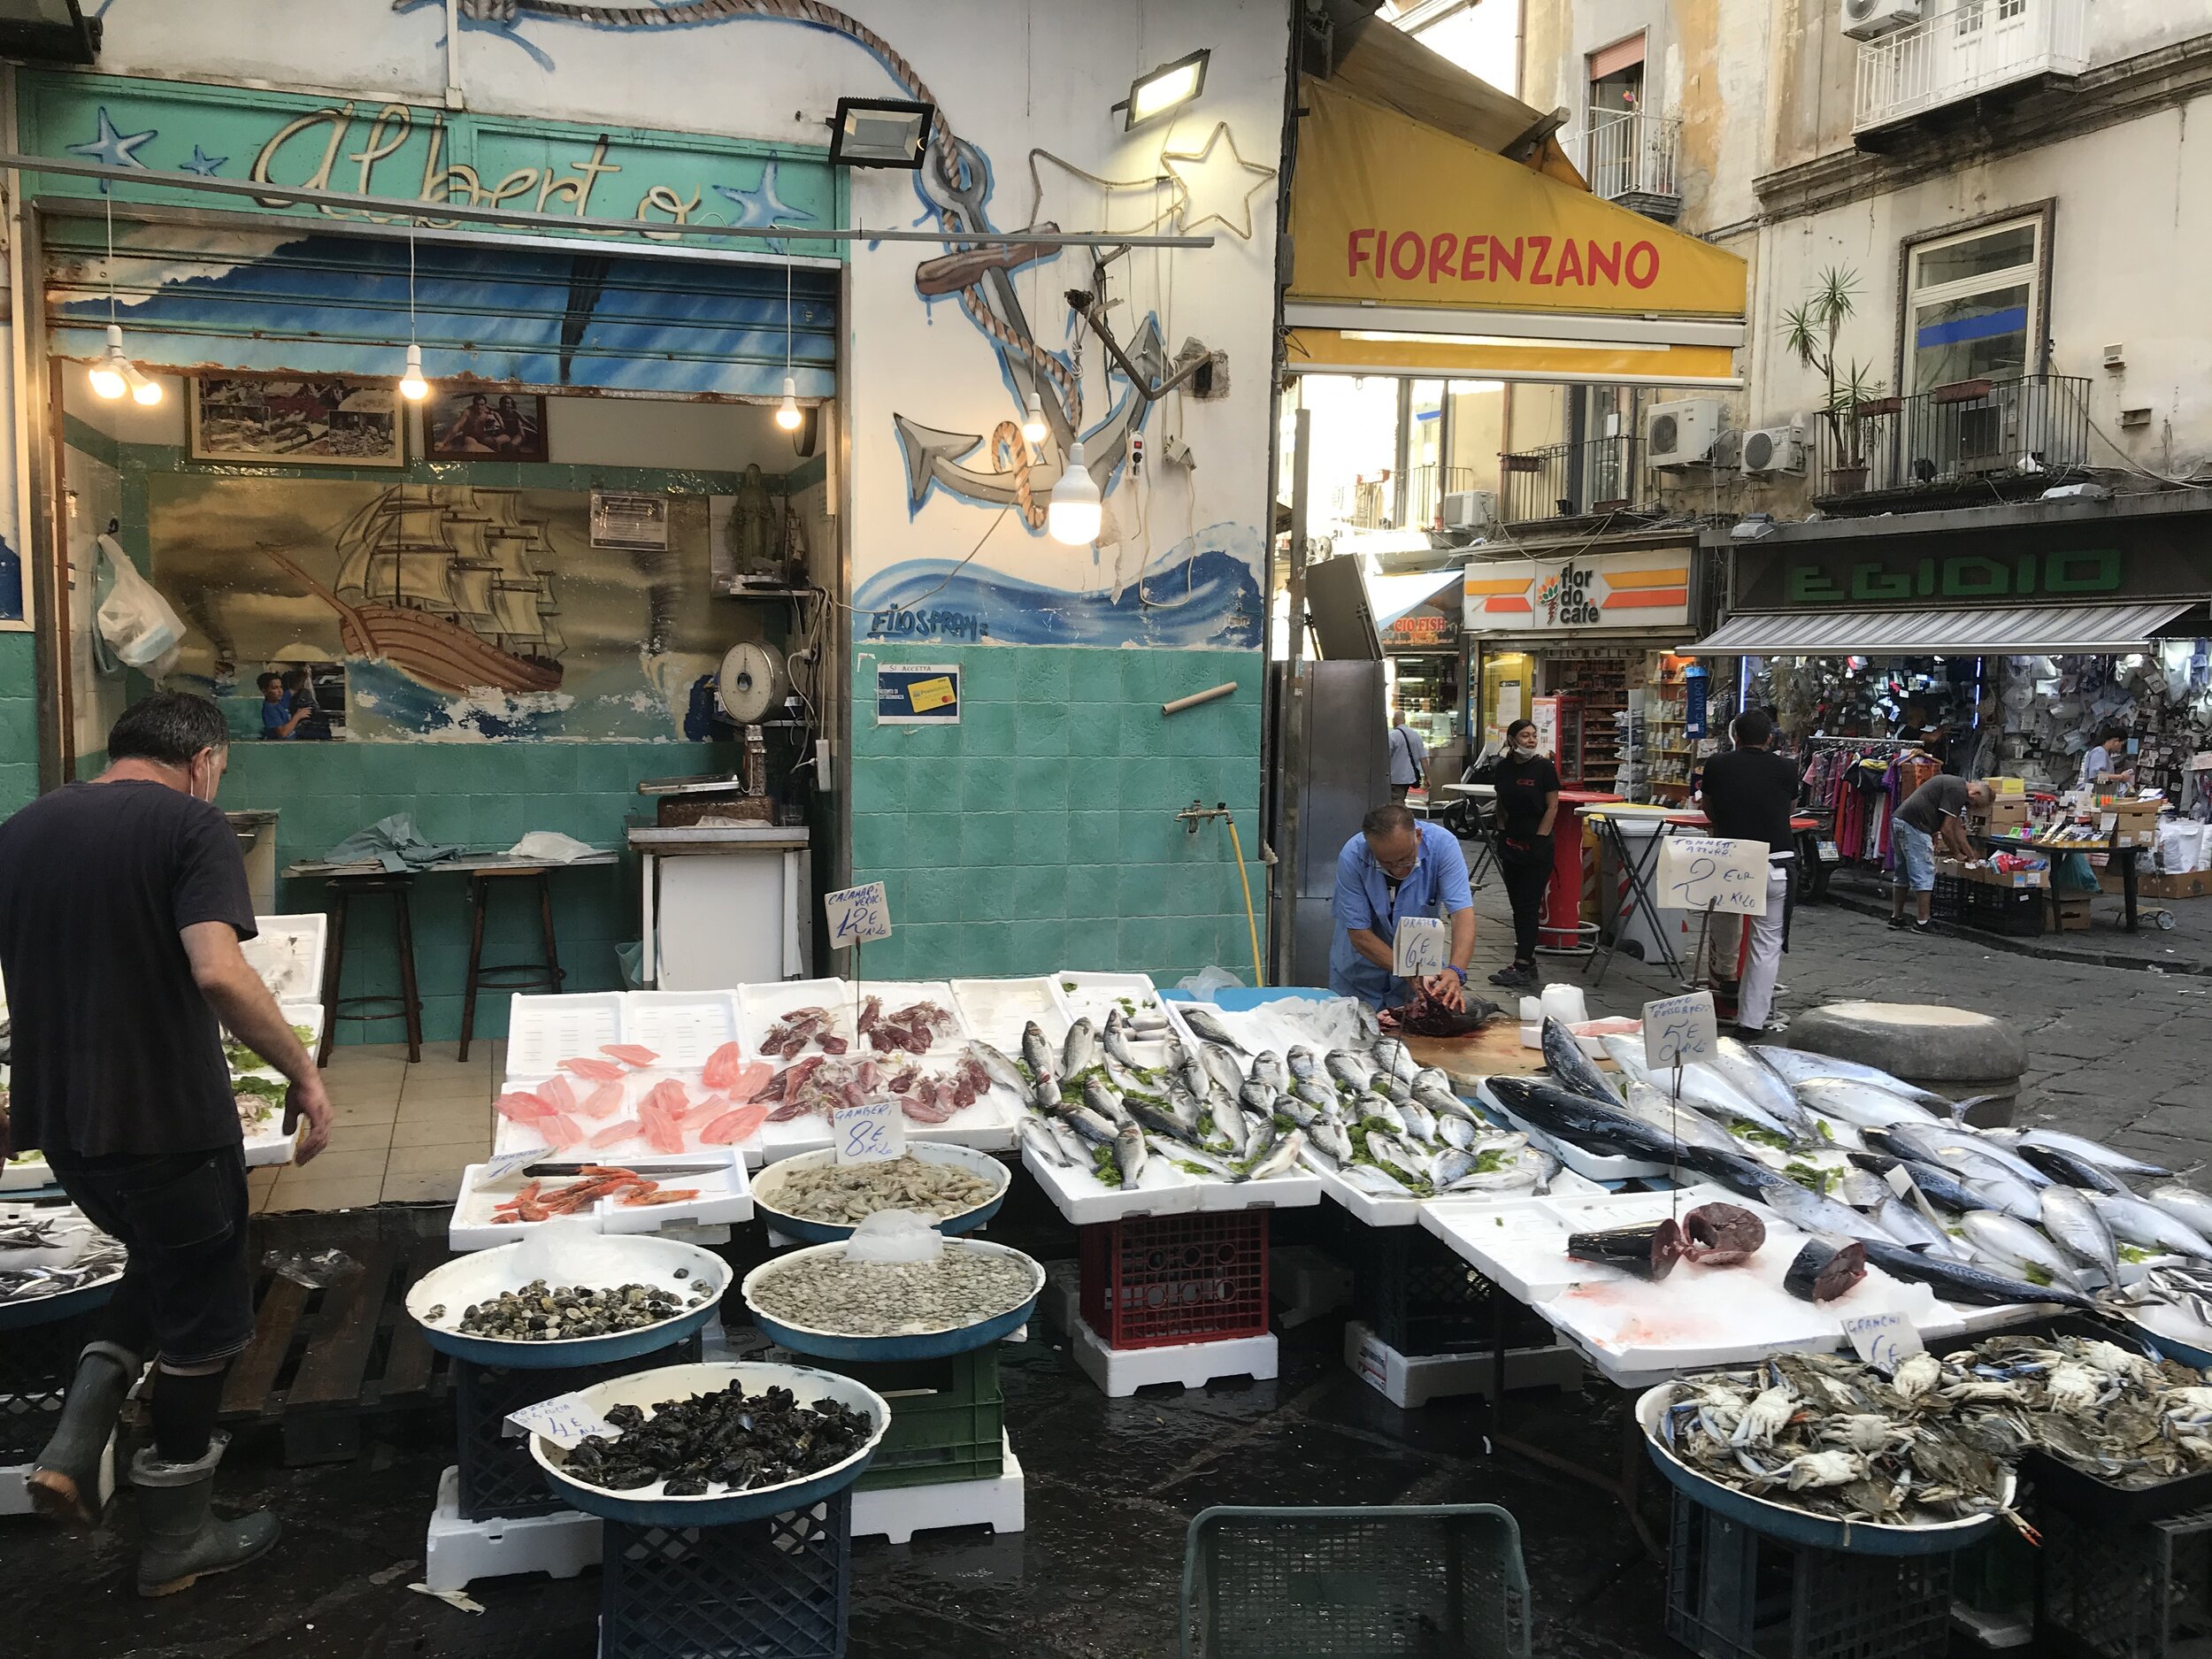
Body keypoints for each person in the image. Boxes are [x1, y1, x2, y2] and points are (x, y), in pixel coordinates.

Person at [0, 692, 333, 1595]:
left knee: (158, 1266)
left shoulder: (24, 828)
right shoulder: (192, 825)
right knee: (205, 1322)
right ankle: (177, 1537)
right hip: (167, 1124)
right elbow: (219, 971)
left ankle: (73, 1449)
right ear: (206, 760)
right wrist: (304, 1075)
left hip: (66, 1131)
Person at [1696, 710, 1800, 1036]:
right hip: (1776, 861)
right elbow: (1790, 809)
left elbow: (1709, 807)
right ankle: (1751, 1022)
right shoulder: (1787, 768)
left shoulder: (1717, 764)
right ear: (1769, 738)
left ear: (1735, 737)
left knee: (1723, 916)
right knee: (1766, 945)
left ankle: (1726, 977)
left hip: (1731, 862)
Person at [1328, 803, 1475, 1010]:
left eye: (1405, 859)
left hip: (1423, 967)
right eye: (1386, 863)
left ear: (1418, 836)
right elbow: (1359, 933)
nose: (1397, 870)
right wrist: (1406, 970)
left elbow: (1462, 913)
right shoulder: (1353, 855)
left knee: (1418, 1032)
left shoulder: (1443, 845)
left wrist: (1455, 971)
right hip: (1359, 973)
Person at [1487, 718, 1559, 989]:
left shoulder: (1543, 767)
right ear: (1512, 739)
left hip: (1537, 844)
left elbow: (1553, 806)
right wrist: (1502, 829)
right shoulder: (1504, 767)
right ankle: (1528, 962)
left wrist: (1541, 838)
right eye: (1525, 736)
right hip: (1512, 843)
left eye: (1534, 735)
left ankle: (1521, 964)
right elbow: (1501, 800)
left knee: (1529, 904)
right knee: (1518, 905)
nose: (1531, 740)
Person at [1889, 772, 1995, 931]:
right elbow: (1946, 830)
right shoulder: (1958, 791)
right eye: (1975, 804)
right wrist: (1957, 853)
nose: (1971, 807)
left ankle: (1896, 917)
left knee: (1903, 872)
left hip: (1901, 820)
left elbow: (1957, 827)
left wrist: (1971, 855)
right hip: (1915, 826)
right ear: (1975, 793)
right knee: (1924, 872)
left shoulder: (1955, 785)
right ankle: (1923, 921)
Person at [1387, 712, 1427, 805]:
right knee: (1400, 799)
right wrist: (1428, 777)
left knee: (1397, 803)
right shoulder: (1416, 735)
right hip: (1409, 777)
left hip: (1395, 777)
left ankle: (1400, 819)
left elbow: (1385, 757)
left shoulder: (1392, 736)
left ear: (1395, 721)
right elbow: (1424, 759)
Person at [256, 672, 308, 741]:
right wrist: (297, 716)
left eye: (281, 687)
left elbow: (295, 689)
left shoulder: (281, 701)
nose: (280, 691)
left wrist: (304, 674)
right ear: (264, 691)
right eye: (275, 688)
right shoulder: (269, 709)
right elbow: (283, 733)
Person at [2081, 725, 2133, 792]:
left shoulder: (2105, 753)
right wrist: (2121, 777)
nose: (2119, 749)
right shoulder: (2099, 752)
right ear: (2116, 741)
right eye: (2121, 745)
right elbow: (2097, 776)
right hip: (2093, 792)